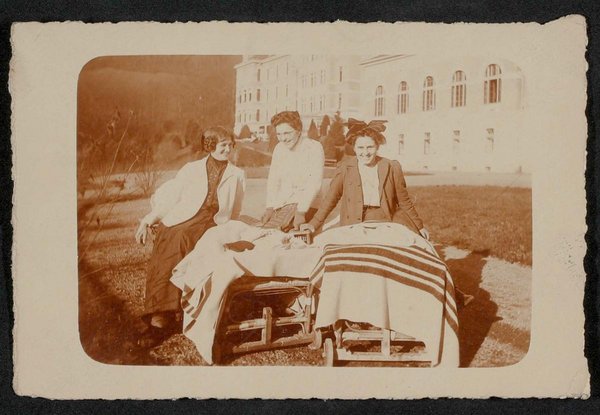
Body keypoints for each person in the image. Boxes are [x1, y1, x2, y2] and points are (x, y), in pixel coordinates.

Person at [134, 126, 246, 346]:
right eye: (223, 145)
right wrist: (148, 219)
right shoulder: (191, 169)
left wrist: (232, 232)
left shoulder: (238, 174)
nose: (228, 149)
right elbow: (171, 198)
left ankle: (172, 314)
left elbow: (236, 210)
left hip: (213, 223)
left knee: (183, 238)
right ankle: (160, 316)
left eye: (230, 145)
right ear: (210, 145)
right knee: (170, 237)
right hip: (184, 218)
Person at [301, 118, 429, 239]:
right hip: (353, 223)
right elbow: (330, 199)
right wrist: (313, 224)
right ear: (354, 148)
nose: (365, 153)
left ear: (377, 146)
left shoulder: (391, 167)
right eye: (360, 148)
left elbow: (404, 201)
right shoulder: (345, 168)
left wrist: (419, 226)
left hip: (384, 223)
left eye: (370, 147)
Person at [261, 111, 325, 231]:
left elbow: (314, 183)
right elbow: (273, 180)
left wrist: (301, 212)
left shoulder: (314, 147)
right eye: (279, 134)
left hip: (307, 205)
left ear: (298, 130)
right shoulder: (279, 148)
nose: (283, 138)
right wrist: (270, 207)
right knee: (264, 230)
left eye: (287, 133)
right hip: (284, 205)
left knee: (280, 232)